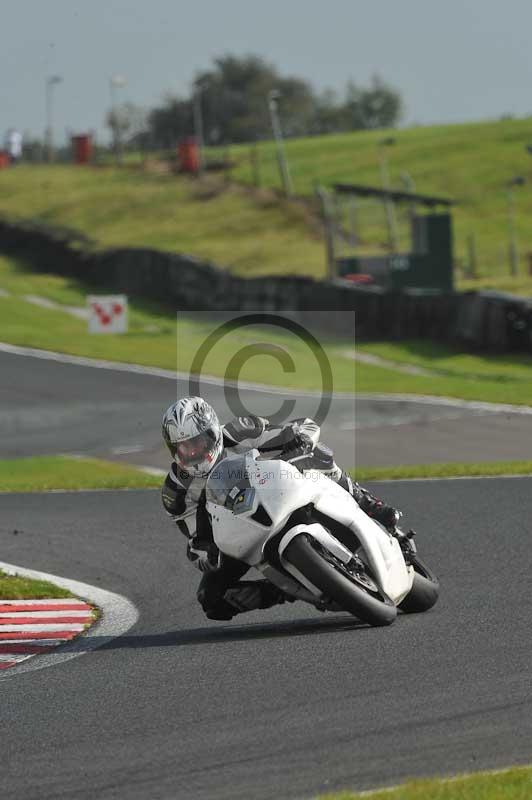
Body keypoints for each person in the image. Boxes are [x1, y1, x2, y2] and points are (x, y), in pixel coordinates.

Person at [161, 396, 401, 621]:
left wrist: (299, 441)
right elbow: (195, 539)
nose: (193, 452)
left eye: (198, 442)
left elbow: (299, 429)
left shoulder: (241, 431)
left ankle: (368, 504)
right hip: (239, 532)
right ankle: (285, 590)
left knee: (316, 454)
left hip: (279, 492)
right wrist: (207, 554)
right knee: (211, 599)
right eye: (183, 448)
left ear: (213, 432)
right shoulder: (176, 491)